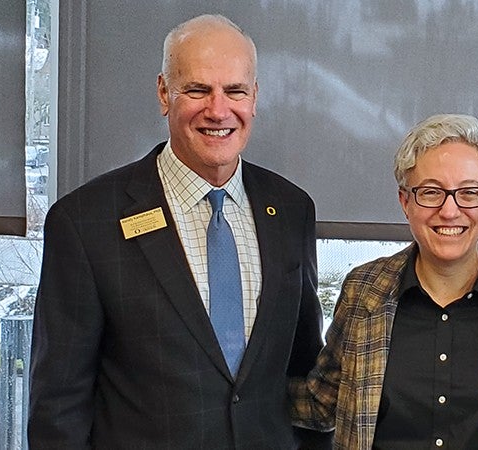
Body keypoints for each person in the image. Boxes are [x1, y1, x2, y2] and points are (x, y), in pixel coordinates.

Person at [28, 14, 329, 448]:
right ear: (164, 93)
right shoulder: (85, 222)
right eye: (198, 90)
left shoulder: (291, 209)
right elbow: (58, 407)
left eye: (235, 91)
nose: (218, 110)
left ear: (255, 97)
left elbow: (303, 374)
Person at [289, 114, 478, 449]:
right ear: (405, 202)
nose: (449, 210)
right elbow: (322, 401)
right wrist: (231, 392)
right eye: (431, 192)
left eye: (469, 193)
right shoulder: (364, 289)